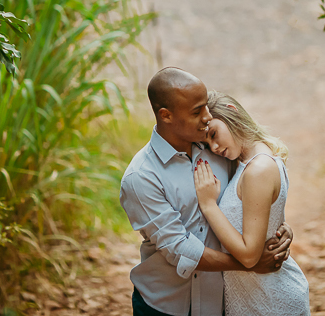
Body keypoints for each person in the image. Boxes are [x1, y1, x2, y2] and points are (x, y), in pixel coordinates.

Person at [120, 67, 293, 316]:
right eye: (197, 111)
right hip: (165, 306)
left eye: (206, 107)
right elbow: (178, 248)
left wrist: (278, 229)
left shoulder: (218, 149)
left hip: (219, 303)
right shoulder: (141, 177)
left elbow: (251, 198)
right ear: (166, 115)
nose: (207, 116)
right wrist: (251, 264)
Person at [193, 91, 310, 316]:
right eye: (207, 143)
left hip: (272, 302)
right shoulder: (246, 164)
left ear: (232, 112)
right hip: (258, 298)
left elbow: (249, 256)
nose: (214, 147)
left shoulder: (258, 169)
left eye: (214, 134)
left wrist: (209, 205)